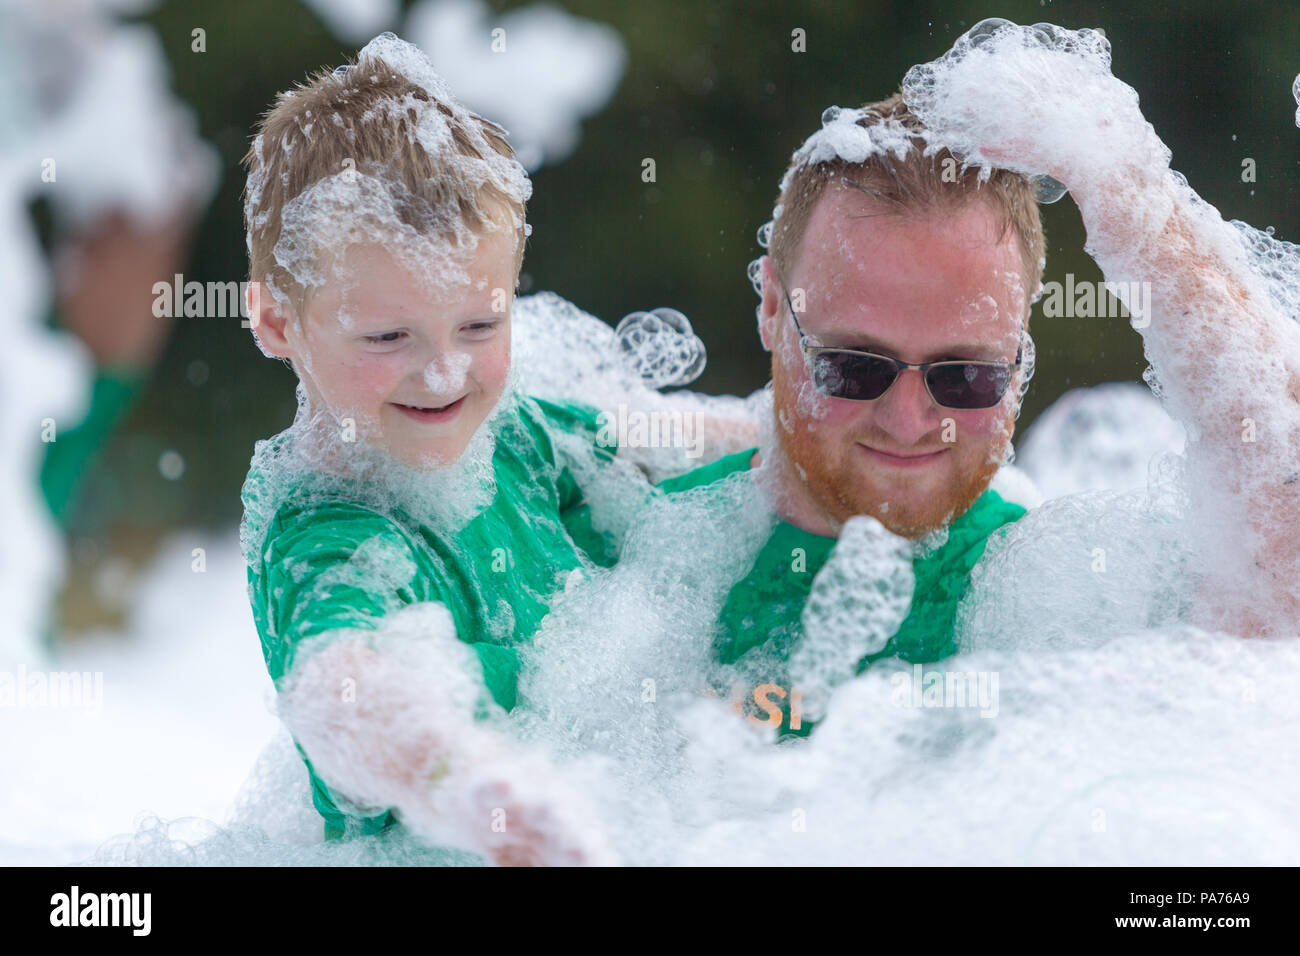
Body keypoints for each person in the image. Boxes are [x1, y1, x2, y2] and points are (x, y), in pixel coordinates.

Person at [657, 18, 1300, 734]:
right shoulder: (632, 550)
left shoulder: (1067, 611)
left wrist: (1126, 196)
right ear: (775, 311)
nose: (908, 421)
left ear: (1020, 353)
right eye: (853, 367)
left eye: (965, 377)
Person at [238, 35, 749, 864]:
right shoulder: (330, 533)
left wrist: (795, 437)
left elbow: (647, 441)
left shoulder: (507, 426)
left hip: (624, 794)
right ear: (274, 322)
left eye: (480, 324)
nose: (444, 372)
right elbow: (343, 690)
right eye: (387, 335)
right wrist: (461, 782)